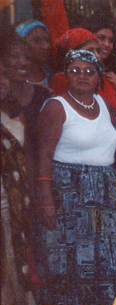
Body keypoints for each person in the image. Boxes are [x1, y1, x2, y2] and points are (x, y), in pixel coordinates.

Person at [36, 50, 116, 305]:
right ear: (65, 74)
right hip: (69, 191)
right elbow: (43, 155)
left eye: (89, 71)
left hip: (104, 188)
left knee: (105, 249)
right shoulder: (56, 106)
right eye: (74, 70)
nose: (82, 76)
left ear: (99, 76)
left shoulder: (102, 102)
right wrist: (46, 201)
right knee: (75, 252)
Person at [1, 57, 40, 305]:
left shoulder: (13, 111)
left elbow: (24, 153)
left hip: (12, 202)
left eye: (3, 74)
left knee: (14, 268)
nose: (2, 81)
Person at [1, 32, 51, 191]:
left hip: (37, 177)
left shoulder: (44, 95)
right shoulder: (2, 98)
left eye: (28, 58)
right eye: (14, 57)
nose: (22, 62)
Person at [49, 28, 116, 113]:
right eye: (90, 50)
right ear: (72, 53)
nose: (97, 56)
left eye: (97, 51)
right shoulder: (61, 80)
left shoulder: (107, 79)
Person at [14, 20, 52, 87]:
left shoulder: (52, 77)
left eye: (47, 40)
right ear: (21, 44)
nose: (46, 46)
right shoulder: (14, 80)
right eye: (36, 41)